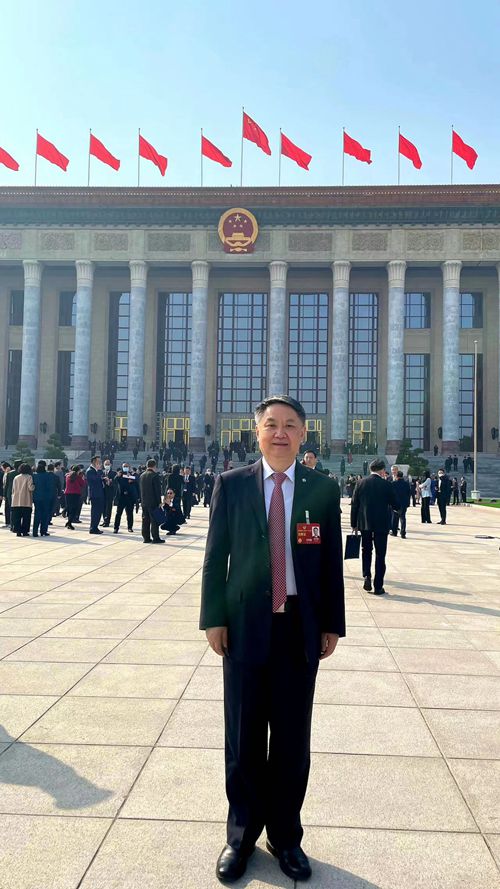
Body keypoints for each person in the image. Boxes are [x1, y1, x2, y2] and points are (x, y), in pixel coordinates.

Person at [200, 395, 345, 884]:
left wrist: (331, 623)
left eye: (290, 425)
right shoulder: (232, 484)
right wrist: (213, 618)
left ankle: (285, 836)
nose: (280, 433)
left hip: (298, 628)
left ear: (304, 434)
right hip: (244, 625)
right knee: (243, 736)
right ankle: (240, 836)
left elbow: (330, 563)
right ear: (257, 432)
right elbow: (215, 556)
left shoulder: (322, 488)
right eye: (271, 425)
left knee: (291, 739)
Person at [350, 458, 399, 595]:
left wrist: (353, 524)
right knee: (380, 554)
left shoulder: (360, 483)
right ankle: (378, 586)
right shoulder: (386, 485)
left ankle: (367, 575)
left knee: (366, 550)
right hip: (381, 524)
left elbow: (354, 505)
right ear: (382, 470)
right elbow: (396, 504)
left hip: (364, 523)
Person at [139, 459, 164, 544]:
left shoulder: (142, 475)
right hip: (153, 502)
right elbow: (157, 490)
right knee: (154, 520)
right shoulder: (154, 476)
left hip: (144, 501)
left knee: (145, 520)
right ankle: (155, 538)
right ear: (154, 466)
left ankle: (146, 537)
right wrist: (159, 502)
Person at [32, 460, 57, 536]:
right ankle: (43, 531)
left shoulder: (34, 476)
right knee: (45, 514)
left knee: (37, 514)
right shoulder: (48, 475)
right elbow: (50, 487)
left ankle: (35, 531)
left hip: (37, 497)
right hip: (46, 497)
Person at [113, 465, 140, 533]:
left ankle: (130, 527)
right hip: (121, 497)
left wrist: (132, 479)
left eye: (127, 466)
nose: (125, 467)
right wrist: (118, 475)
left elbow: (137, 480)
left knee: (130, 513)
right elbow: (115, 480)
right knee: (118, 513)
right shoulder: (120, 474)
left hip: (129, 497)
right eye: (124, 466)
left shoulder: (131, 474)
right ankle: (116, 528)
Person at [11, 463, 35, 536]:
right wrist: (34, 486)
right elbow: (30, 488)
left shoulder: (16, 477)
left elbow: (13, 489)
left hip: (16, 500)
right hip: (26, 501)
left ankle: (18, 531)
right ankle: (25, 531)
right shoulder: (29, 477)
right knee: (26, 518)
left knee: (17, 517)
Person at [86, 456, 105, 534]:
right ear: (94, 462)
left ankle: (95, 527)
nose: (100, 463)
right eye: (98, 462)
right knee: (95, 512)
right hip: (95, 494)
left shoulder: (95, 471)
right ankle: (93, 528)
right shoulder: (90, 471)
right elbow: (95, 480)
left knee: (98, 512)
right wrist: (99, 472)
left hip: (99, 494)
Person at [64, 465, 87, 529]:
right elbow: (83, 484)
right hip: (75, 494)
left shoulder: (67, 476)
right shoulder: (78, 477)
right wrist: (82, 478)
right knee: (74, 509)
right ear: (78, 471)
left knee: (69, 508)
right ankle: (69, 522)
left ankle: (68, 520)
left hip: (67, 493)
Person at [391, 471, 411, 538]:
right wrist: (408, 503)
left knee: (395, 518)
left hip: (395, 503)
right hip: (403, 503)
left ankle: (394, 532)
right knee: (403, 518)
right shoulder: (406, 484)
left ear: (396, 476)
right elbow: (409, 494)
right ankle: (403, 533)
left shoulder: (393, 483)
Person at [101, 459, 117, 527]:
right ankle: (104, 520)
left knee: (108, 507)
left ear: (111, 465)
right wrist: (103, 479)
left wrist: (110, 482)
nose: (107, 465)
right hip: (103, 492)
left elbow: (115, 483)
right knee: (103, 507)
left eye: (108, 464)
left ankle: (107, 521)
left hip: (110, 492)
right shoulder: (102, 472)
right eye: (105, 464)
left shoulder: (113, 473)